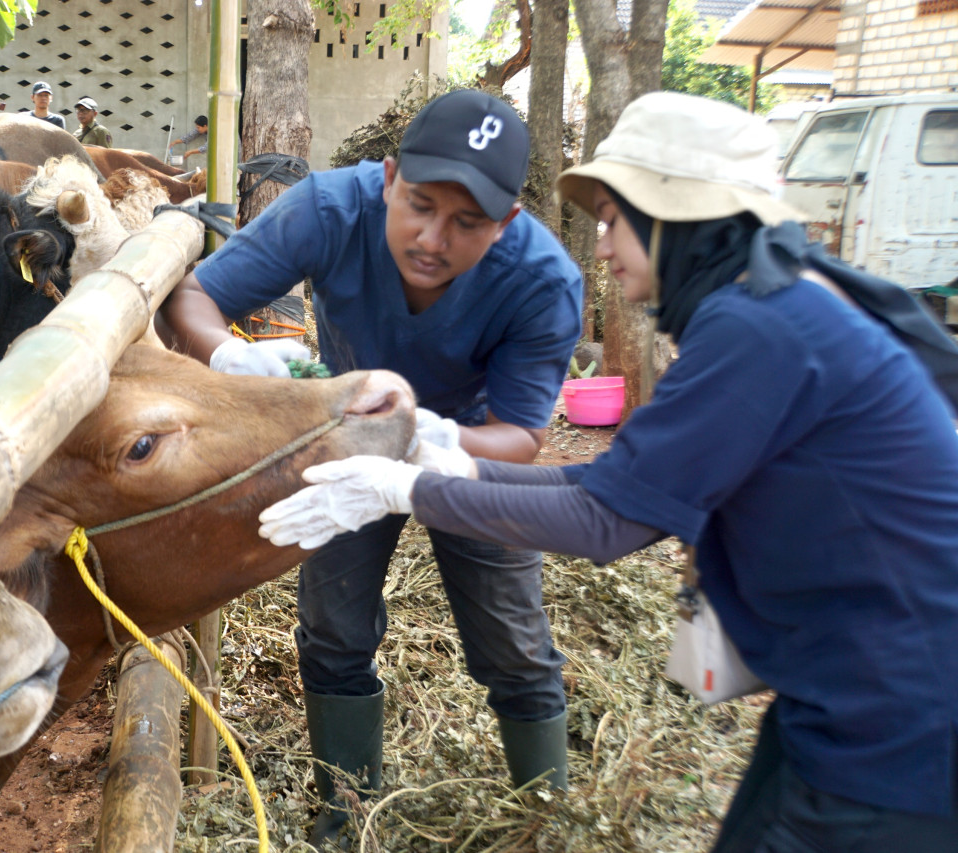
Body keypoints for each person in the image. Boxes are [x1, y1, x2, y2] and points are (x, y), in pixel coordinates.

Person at [259, 91, 958, 852]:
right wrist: (439, 453)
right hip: (847, 686)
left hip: (902, 706)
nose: (599, 247)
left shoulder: (761, 327)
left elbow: (607, 522)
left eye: (613, 219)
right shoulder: (778, 301)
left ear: (671, 216)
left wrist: (408, 486)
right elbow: (609, 486)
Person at [158, 89, 584, 844]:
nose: (433, 237)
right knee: (332, 627)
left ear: (508, 223)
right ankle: (345, 812)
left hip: (461, 449)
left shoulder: (540, 280)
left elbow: (519, 436)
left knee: (512, 642)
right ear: (387, 176)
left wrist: (418, 439)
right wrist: (230, 353)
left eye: (468, 223)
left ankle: (543, 816)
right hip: (347, 441)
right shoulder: (328, 208)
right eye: (418, 204)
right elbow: (196, 294)